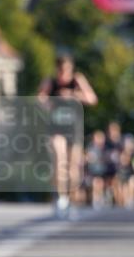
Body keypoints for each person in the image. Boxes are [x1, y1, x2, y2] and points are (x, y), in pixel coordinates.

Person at [37, 53, 97, 216]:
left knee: (72, 168)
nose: (64, 74)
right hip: (56, 128)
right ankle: (60, 197)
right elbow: (40, 98)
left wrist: (73, 95)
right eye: (61, 70)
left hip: (73, 129)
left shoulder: (77, 80)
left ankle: (70, 199)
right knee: (59, 160)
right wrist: (48, 102)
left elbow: (92, 98)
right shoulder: (51, 81)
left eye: (66, 70)